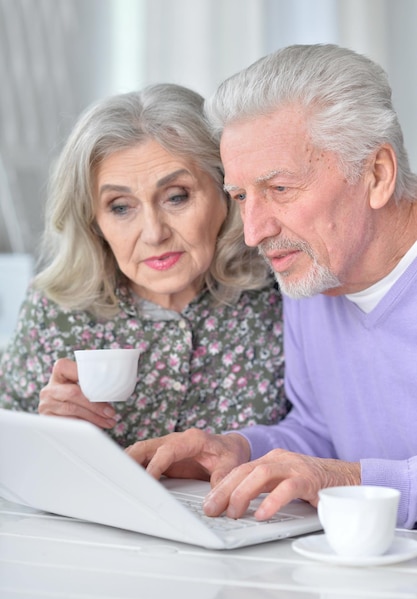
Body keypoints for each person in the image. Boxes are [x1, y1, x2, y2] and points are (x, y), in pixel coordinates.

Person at [126, 44, 417, 530]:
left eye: (280, 189)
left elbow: (337, 467)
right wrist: (236, 449)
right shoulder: (313, 268)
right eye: (241, 196)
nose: (254, 231)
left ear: (378, 174)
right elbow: (321, 432)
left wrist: (340, 480)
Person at [0, 83, 289, 448]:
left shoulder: (280, 293)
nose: (153, 233)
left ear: (226, 193)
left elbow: (323, 438)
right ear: (94, 222)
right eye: (121, 207)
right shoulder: (55, 309)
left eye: (176, 197)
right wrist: (45, 436)